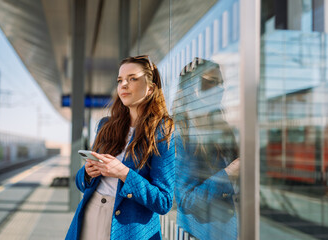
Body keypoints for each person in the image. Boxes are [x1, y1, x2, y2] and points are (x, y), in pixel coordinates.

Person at [66, 55, 176, 240]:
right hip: (89, 217)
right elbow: (80, 182)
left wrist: (124, 173)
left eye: (132, 78)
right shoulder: (106, 125)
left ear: (150, 88)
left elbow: (164, 201)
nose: (123, 84)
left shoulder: (162, 131)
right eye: (120, 80)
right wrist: (87, 172)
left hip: (130, 230)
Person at [173, 58, 240, 240]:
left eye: (221, 84)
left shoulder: (222, 127)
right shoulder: (181, 133)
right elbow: (186, 201)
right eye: (211, 82)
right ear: (191, 87)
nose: (220, 89)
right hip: (198, 233)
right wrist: (229, 174)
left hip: (226, 230)